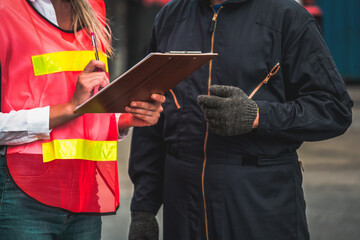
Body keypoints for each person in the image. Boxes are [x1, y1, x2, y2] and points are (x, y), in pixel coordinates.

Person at [127, 0, 353, 239]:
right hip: (184, 212)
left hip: (259, 205)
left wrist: (257, 116)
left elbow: (334, 108)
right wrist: (143, 210)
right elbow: (149, 115)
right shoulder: (170, 17)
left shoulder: (286, 17)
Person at [0, 0, 164, 239]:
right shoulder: (6, 11)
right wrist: (68, 108)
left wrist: (125, 118)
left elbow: (91, 106)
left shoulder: (94, 9)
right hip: (24, 197)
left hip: (86, 194)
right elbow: (74, 106)